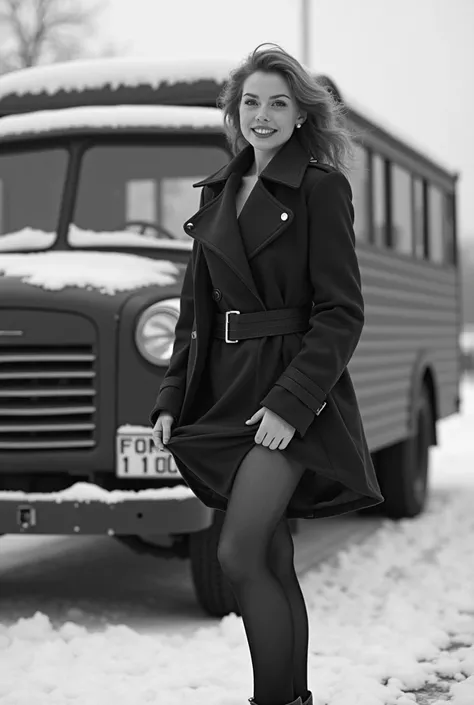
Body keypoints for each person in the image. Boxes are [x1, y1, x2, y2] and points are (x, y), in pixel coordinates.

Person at [150, 43, 384, 705]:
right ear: (234, 110)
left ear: (300, 114)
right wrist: (172, 395)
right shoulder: (218, 192)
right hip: (225, 391)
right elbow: (194, 314)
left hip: (289, 397)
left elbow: (341, 311)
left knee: (238, 553)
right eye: (251, 101)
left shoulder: (319, 188)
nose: (262, 114)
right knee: (272, 558)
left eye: (278, 102)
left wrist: (292, 403)